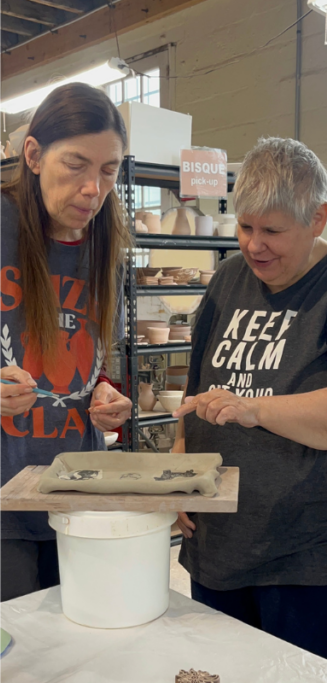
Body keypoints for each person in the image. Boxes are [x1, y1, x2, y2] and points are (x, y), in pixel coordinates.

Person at [171, 137, 327, 658]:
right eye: (245, 227)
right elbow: (193, 390)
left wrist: (253, 407)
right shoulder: (230, 278)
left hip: (301, 558)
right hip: (217, 546)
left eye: (273, 231)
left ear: (318, 220)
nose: (255, 245)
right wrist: (178, 477)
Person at [0, 83, 133, 601]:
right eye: (76, 164)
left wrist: (107, 393)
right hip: (4, 496)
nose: (92, 189)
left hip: (79, 490)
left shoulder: (107, 244)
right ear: (33, 155)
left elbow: (99, 360)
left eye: (108, 170)